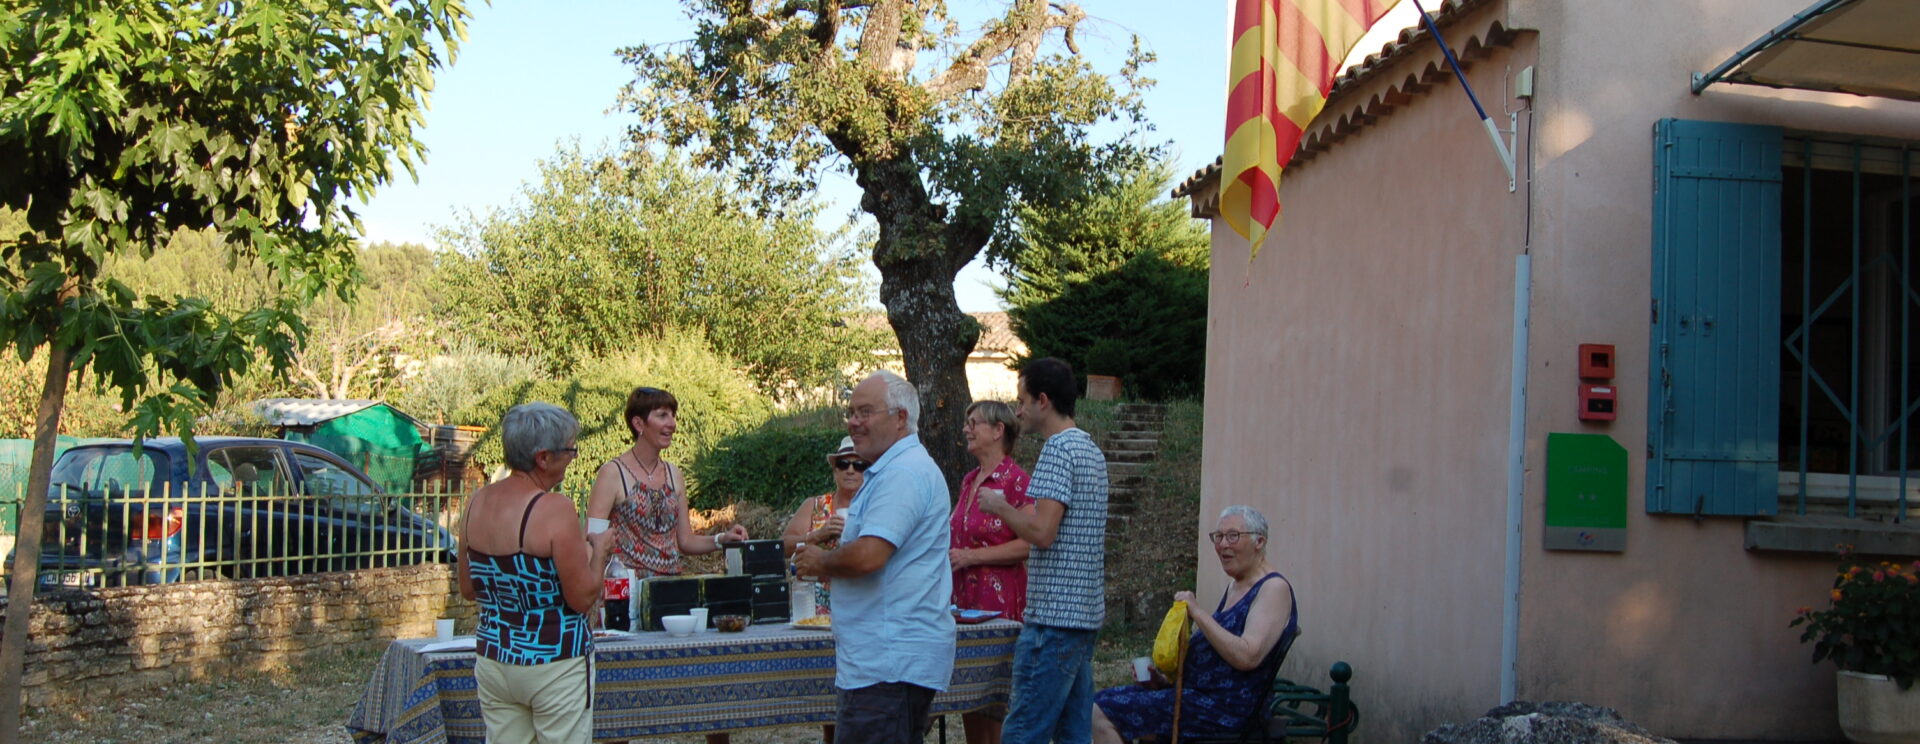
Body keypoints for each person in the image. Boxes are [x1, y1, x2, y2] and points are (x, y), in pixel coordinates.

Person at [793, 370, 955, 743]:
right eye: (851, 412)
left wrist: (821, 562)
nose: (853, 422)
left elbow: (869, 556)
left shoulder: (903, 473)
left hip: (890, 663)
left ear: (900, 418)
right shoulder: (892, 470)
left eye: (865, 412)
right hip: (883, 661)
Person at [458, 402, 614, 744]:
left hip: (495, 659)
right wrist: (600, 551)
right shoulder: (554, 509)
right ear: (543, 457)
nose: (573, 458)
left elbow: (469, 588)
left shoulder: (476, 502)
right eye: (569, 450)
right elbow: (582, 598)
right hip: (554, 662)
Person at [977, 357, 1109, 744]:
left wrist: (1000, 507)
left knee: (1022, 731)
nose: (1017, 410)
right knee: (1073, 732)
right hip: (1083, 617)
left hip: (1053, 620)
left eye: (1022, 400)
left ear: (1043, 401)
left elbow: (1043, 532)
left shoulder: (1057, 451)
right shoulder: (1091, 451)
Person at [1090, 506, 1299, 743]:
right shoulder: (1237, 585)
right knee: (1101, 699)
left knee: (1100, 712)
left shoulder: (1273, 589)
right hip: (1197, 696)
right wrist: (1163, 682)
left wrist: (1198, 612)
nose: (1222, 545)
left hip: (1226, 709)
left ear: (1259, 541)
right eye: (1218, 537)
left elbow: (1248, 656)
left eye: (1233, 536)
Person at [587, 386, 749, 579]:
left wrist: (722, 539)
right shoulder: (613, 473)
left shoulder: (674, 474)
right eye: (662, 415)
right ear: (638, 424)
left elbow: (685, 540)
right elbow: (592, 540)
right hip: (626, 592)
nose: (672, 424)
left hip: (670, 590)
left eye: (673, 415)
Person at [951, 400, 1035, 744]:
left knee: (998, 700)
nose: (966, 429)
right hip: (964, 603)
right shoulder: (969, 480)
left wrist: (972, 557)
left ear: (998, 430)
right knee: (970, 696)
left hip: (999, 605)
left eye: (974, 423)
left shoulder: (1017, 481)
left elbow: (1030, 543)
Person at [779, 435, 867, 744]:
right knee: (822, 689)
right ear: (834, 470)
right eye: (843, 463)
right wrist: (816, 535)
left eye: (859, 464)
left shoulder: (875, 505)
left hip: (859, 603)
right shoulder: (816, 505)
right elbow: (784, 545)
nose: (851, 470)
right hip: (816, 608)